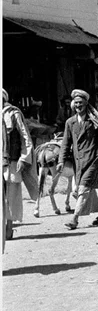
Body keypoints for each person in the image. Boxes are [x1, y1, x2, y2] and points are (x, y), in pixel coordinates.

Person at [58, 89, 98, 230]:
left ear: (86, 104)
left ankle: (74, 219)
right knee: (85, 190)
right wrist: (61, 161)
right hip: (78, 162)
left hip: (93, 159)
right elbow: (66, 143)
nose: (78, 105)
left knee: (83, 188)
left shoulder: (94, 121)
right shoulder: (70, 122)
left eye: (81, 103)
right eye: (76, 103)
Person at [2, 89, 37, 225]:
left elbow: (25, 137)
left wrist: (24, 158)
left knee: (12, 194)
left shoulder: (13, 113)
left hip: (11, 160)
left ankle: (9, 224)